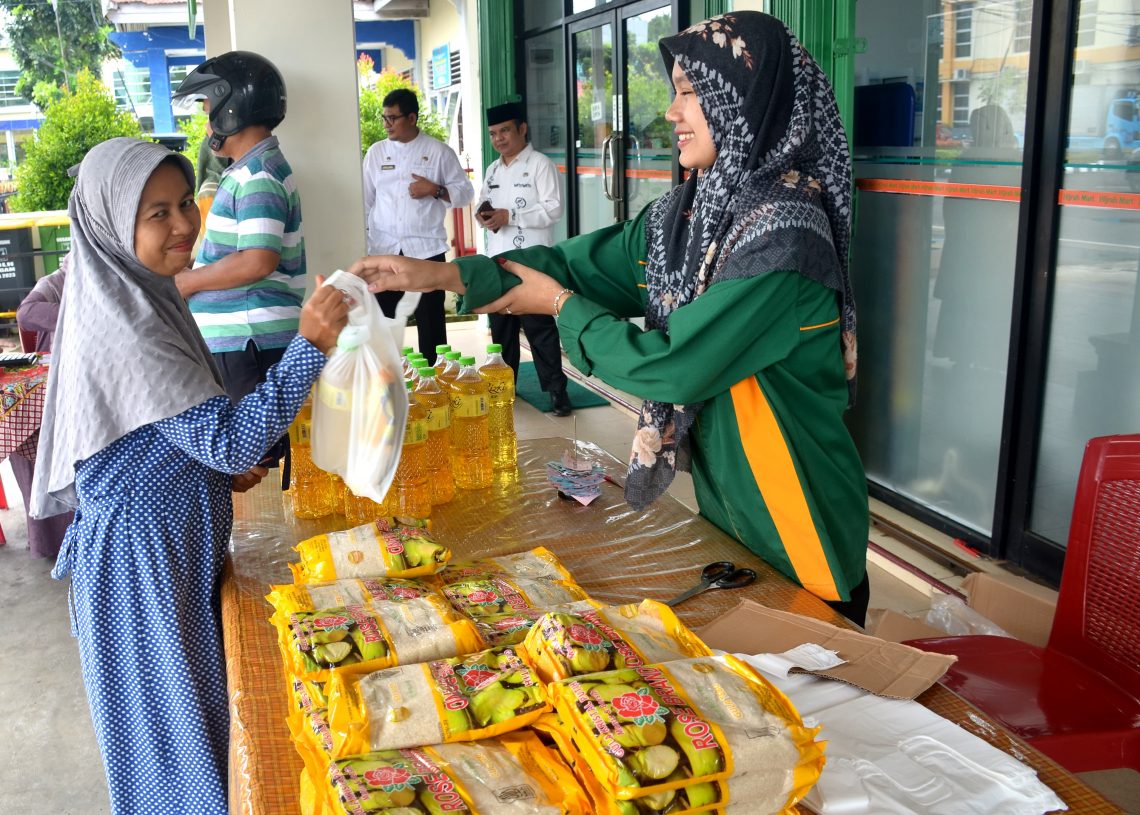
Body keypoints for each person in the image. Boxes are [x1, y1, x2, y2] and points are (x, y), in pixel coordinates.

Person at [351, 12, 871, 624]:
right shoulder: (688, 215)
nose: (672, 113)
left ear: (747, 101)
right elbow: (579, 263)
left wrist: (563, 309)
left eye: (688, 92)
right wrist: (441, 275)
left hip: (799, 524)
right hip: (731, 516)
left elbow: (677, 365)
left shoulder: (786, 240)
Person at [29, 137, 347, 815]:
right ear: (115, 222)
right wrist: (310, 343)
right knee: (179, 749)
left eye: (184, 204)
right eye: (157, 213)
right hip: (139, 573)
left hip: (167, 553)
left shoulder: (142, 297)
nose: (182, 225)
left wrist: (199, 471)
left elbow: (156, 433)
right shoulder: (128, 326)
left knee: (200, 724)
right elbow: (232, 443)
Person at [170, 51, 305, 472]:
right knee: (248, 457)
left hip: (250, 341)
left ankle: (260, 536)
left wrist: (188, 283)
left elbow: (257, 260)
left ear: (233, 109)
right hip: (244, 340)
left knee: (250, 460)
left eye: (209, 109)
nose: (208, 122)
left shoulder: (258, 176)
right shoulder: (249, 171)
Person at [362, 87, 473, 364]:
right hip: (385, 248)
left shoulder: (438, 152)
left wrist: (434, 189)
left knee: (430, 321)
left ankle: (433, 381)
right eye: (384, 118)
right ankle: (384, 378)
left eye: (393, 118)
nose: (386, 124)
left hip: (425, 249)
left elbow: (465, 193)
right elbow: (365, 200)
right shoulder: (377, 153)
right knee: (382, 319)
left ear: (411, 118)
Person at [478, 101, 572, 416]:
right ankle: (505, 388)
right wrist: (486, 216)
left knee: (539, 328)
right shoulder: (492, 169)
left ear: (522, 128)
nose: (499, 139)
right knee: (501, 329)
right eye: (493, 134)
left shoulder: (540, 164)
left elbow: (554, 209)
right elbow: (485, 204)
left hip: (532, 261)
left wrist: (511, 214)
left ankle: (558, 393)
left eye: (505, 131)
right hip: (498, 261)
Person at [12, 257, 72, 559]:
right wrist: (79, 314)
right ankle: (47, 541)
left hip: (87, 383)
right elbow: (26, 312)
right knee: (27, 445)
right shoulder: (57, 281)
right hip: (53, 384)